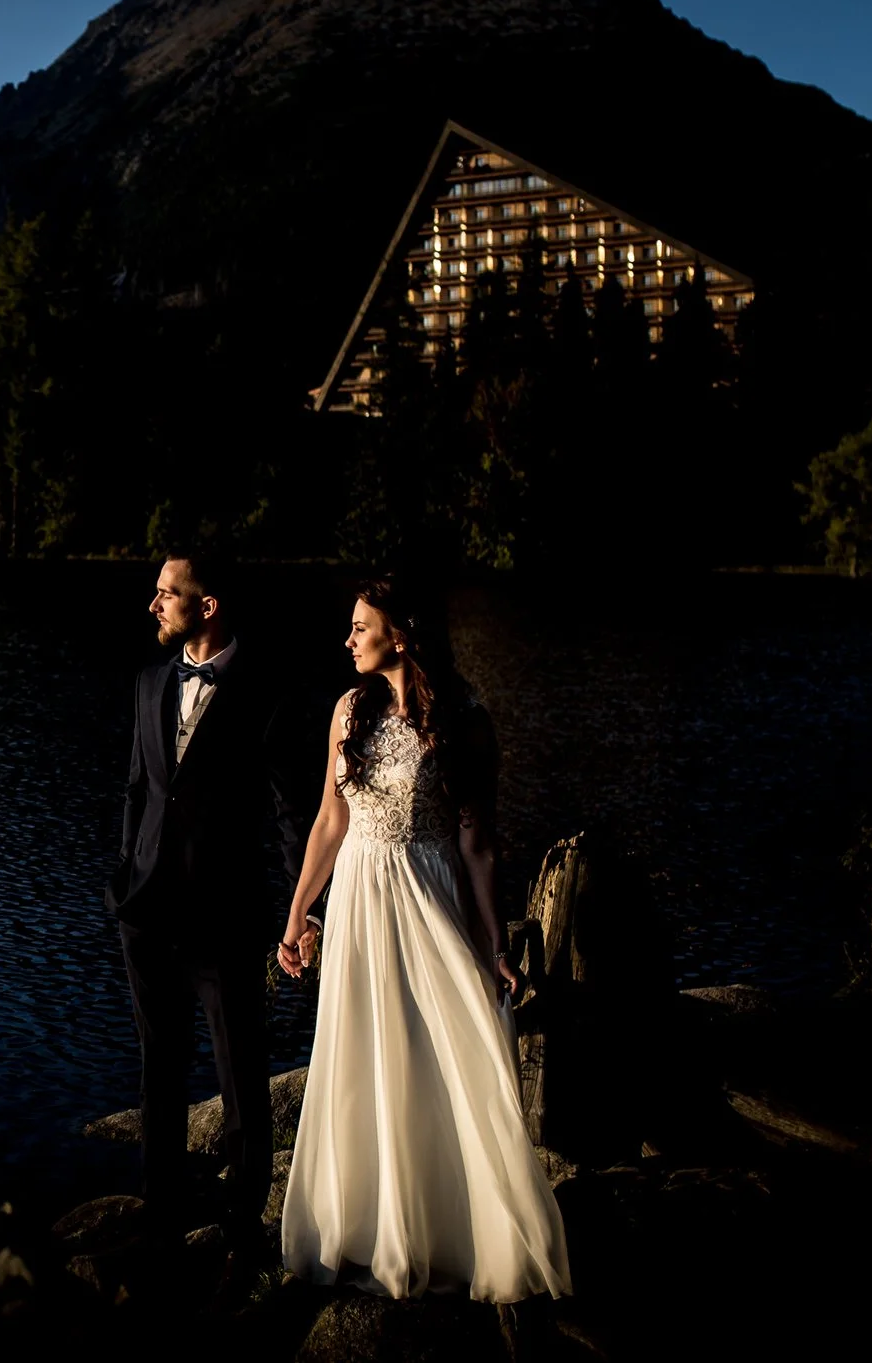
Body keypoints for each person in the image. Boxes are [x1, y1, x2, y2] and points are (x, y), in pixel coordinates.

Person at [277, 577, 572, 1302]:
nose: (347, 638)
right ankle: (369, 1227)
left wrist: (493, 941)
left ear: (401, 634)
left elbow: (479, 847)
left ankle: (447, 1228)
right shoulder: (349, 710)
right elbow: (328, 821)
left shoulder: (465, 720)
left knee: (438, 1049)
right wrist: (297, 916)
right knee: (361, 1053)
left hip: (425, 895)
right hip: (356, 900)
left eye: (360, 626)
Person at [107, 550, 320, 1246]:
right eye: (156, 591)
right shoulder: (148, 683)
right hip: (146, 916)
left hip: (223, 919)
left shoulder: (268, 692)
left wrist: (303, 910)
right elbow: (139, 792)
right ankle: (160, 1208)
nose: (154, 603)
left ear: (209, 605)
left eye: (168, 592)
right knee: (158, 1066)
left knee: (241, 1072)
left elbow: (294, 815)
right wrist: (122, 885)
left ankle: (244, 1219)